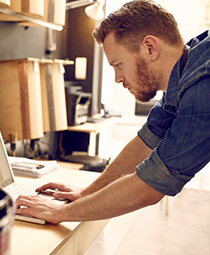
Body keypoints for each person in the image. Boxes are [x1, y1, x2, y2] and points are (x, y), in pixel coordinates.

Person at [15, 0, 210, 224]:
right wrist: (85, 193)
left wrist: (59, 213)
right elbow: (146, 141)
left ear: (150, 48)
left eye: (118, 65)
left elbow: (150, 186)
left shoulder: (202, 85)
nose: (117, 78)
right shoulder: (188, 65)